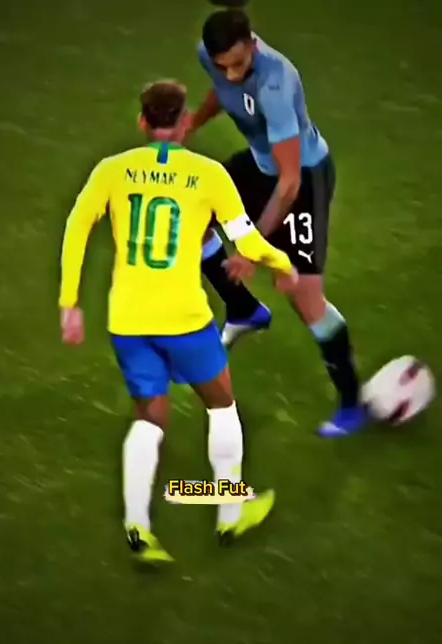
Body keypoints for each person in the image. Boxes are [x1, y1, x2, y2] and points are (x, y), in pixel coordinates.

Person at [58, 80, 298, 564]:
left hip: (129, 319)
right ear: (185, 122)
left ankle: (138, 527)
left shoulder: (113, 170)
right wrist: (282, 263)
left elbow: (77, 225)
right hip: (184, 318)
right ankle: (230, 514)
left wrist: (70, 302)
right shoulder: (208, 175)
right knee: (221, 405)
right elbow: (246, 242)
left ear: (143, 122)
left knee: (149, 419)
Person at [189, 8, 368, 438]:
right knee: (191, 215)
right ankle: (244, 309)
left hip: (303, 178)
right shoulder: (211, 58)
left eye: (239, 65)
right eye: (222, 66)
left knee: (304, 296)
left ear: (253, 45)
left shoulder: (276, 83)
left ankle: (353, 402)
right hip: (259, 165)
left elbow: (288, 184)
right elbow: (222, 91)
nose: (231, 75)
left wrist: (252, 249)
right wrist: (192, 124)